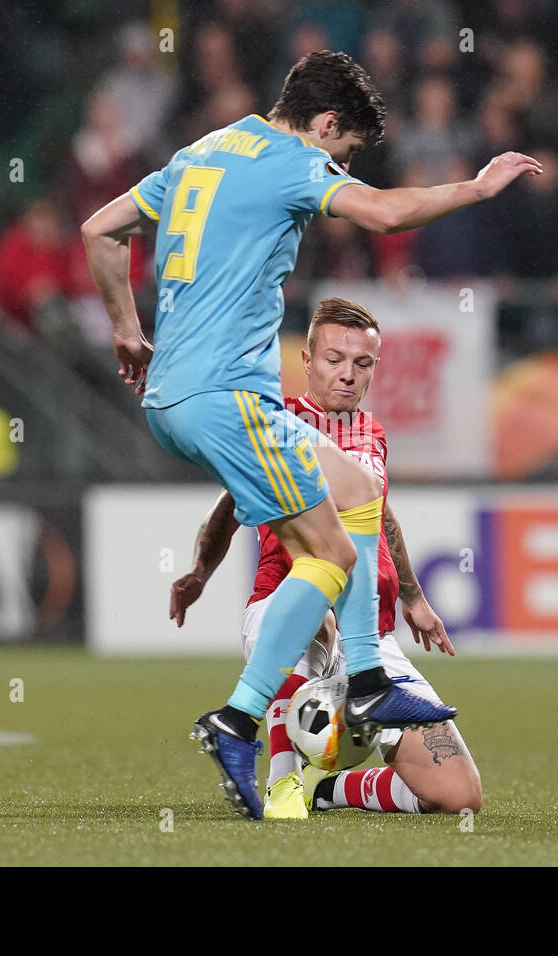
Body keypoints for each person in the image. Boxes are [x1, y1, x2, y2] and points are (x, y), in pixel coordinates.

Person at [81, 50, 540, 819]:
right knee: (329, 554)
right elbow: (388, 214)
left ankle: (365, 680)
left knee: (355, 489)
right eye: (347, 152)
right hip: (228, 396)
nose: (341, 166)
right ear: (327, 124)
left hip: (178, 397)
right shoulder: (293, 159)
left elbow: (100, 230)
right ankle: (238, 719)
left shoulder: (202, 152)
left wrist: (127, 329)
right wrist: (478, 186)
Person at [170, 298, 481, 819]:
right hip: (286, 610)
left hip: (372, 640)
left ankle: (322, 790)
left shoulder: (372, 435)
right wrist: (201, 571)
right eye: (334, 359)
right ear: (308, 360)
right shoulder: (275, 422)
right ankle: (279, 782)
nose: (347, 375)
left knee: (458, 795)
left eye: (362, 364)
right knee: (319, 619)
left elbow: (380, 516)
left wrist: (413, 596)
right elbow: (228, 506)